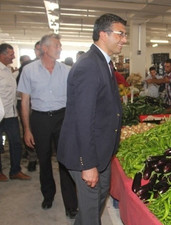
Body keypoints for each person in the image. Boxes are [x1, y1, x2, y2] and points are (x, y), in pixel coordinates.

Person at [57, 13, 127, 225]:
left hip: (101, 151)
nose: (124, 39)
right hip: (84, 154)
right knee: (90, 213)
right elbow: (82, 119)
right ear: (103, 34)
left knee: (96, 203)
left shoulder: (104, 63)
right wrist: (87, 164)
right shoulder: (88, 66)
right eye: (120, 34)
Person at [17, 34, 78, 217]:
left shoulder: (67, 70)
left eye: (60, 46)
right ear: (45, 48)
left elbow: (73, 98)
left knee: (66, 161)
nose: (60, 48)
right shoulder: (29, 70)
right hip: (40, 119)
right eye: (57, 45)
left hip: (63, 117)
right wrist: (27, 129)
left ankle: (71, 204)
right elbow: (25, 101)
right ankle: (48, 195)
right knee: (43, 160)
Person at [0, 43, 31, 182]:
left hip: (11, 114)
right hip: (1, 115)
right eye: (11, 54)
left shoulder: (7, 70)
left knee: (16, 143)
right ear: (3, 54)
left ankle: (15, 170)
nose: (13, 57)